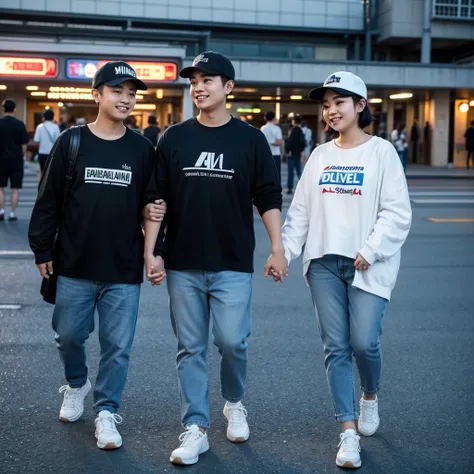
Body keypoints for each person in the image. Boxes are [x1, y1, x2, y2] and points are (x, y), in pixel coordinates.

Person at [142, 51, 286, 466]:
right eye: (193, 81)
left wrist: (277, 248)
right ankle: (196, 427)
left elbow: (267, 197)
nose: (199, 87)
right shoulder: (173, 137)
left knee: (231, 342)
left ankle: (234, 402)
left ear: (229, 88)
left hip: (232, 261)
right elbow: (158, 198)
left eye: (208, 80)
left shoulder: (251, 140)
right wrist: (152, 252)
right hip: (183, 262)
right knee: (189, 347)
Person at [271, 71, 411, 469]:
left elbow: (398, 213)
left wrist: (370, 249)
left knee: (364, 342)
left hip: (367, 262)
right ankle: (347, 433)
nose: (331, 111)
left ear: (360, 106)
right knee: (335, 347)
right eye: (327, 104)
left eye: (340, 102)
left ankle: (369, 394)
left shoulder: (382, 153)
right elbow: (300, 213)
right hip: (324, 264)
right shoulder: (320, 155)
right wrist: (286, 252)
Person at [28, 61, 166, 451]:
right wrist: (42, 247)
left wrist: (153, 249)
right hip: (74, 263)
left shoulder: (142, 148)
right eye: (117, 90)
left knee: (117, 347)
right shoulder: (72, 142)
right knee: (69, 336)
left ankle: (107, 410)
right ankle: (76, 384)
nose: (126, 98)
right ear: (96, 95)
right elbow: (48, 200)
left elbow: (152, 203)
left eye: (131, 92)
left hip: (122, 267)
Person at [0, 98, 29, 222]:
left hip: (0, 160)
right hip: (16, 160)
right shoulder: (20, 124)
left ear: (3, 108)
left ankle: (1, 211)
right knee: (15, 188)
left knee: (0, 187)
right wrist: (21, 155)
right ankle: (12, 213)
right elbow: (24, 144)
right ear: (15, 109)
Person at [33, 109, 61, 178]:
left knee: (42, 172)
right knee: (51, 173)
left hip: (42, 153)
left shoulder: (40, 127)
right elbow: (58, 140)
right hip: (53, 154)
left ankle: (42, 187)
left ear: (44, 117)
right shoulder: (56, 127)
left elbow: (36, 140)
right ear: (53, 117)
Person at [285, 114, 306, 193]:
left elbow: (289, 142)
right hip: (298, 154)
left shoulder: (292, 130)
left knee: (291, 173)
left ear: (294, 121)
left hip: (291, 154)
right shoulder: (300, 130)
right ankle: (303, 188)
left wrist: (287, 149)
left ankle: (289, 189)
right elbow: (302, 142)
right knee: (299, 172)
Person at [260, 110, 283, 179]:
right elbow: (280, 142)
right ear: (274, 118)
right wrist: (273, 142)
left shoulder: (262, 128)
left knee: (265, 175)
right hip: (276, 155)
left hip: (265, 155)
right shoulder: (277, 128)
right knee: (276, 175)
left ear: (265, 118)